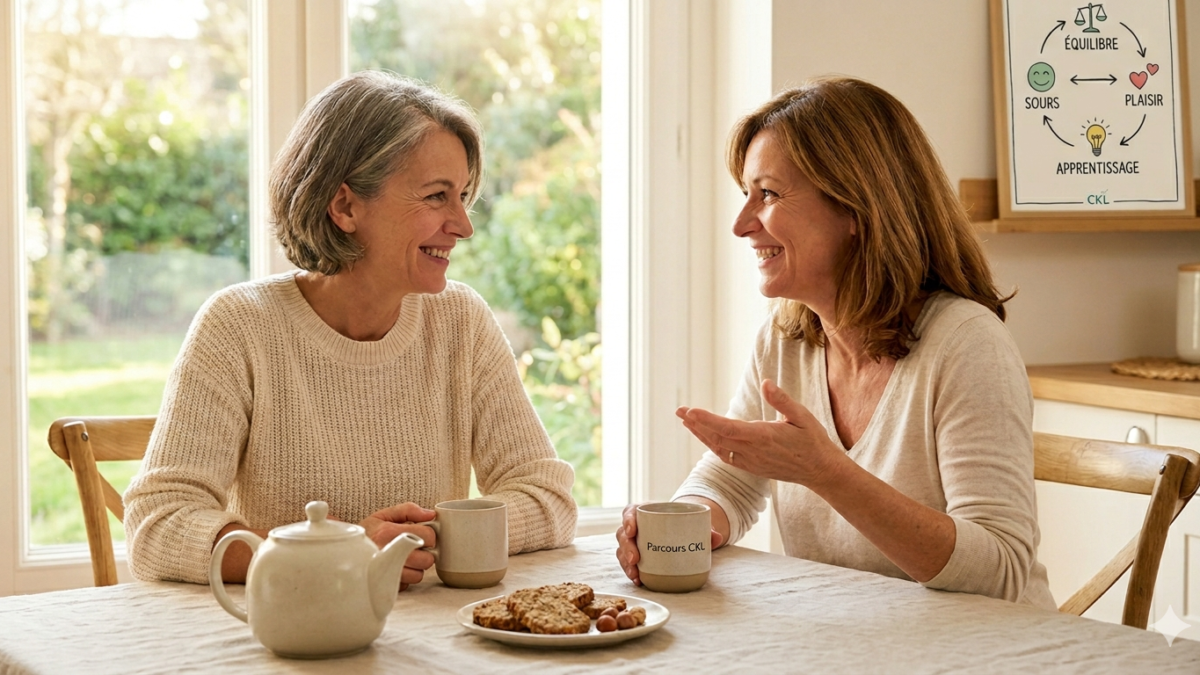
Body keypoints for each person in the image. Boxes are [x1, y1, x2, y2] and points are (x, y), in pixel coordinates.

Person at [615, 76, 1055, 609]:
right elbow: (730, 484)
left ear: (854, 208)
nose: (741, 224)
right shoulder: (785, 339)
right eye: (746, 195)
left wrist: (826, 471)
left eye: (769, 194)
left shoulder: (967, 344)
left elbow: (1000, 573)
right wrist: (673, 528)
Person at [125, 71, 577, 587]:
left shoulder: (461, 320)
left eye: (463, 196)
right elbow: (159, 525)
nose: (463, 225)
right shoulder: (239, 326)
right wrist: (336, 552)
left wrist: (430, 536)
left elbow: (547, 498)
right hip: (294, 642)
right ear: (345, 206)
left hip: (433, 639)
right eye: (436, 196)